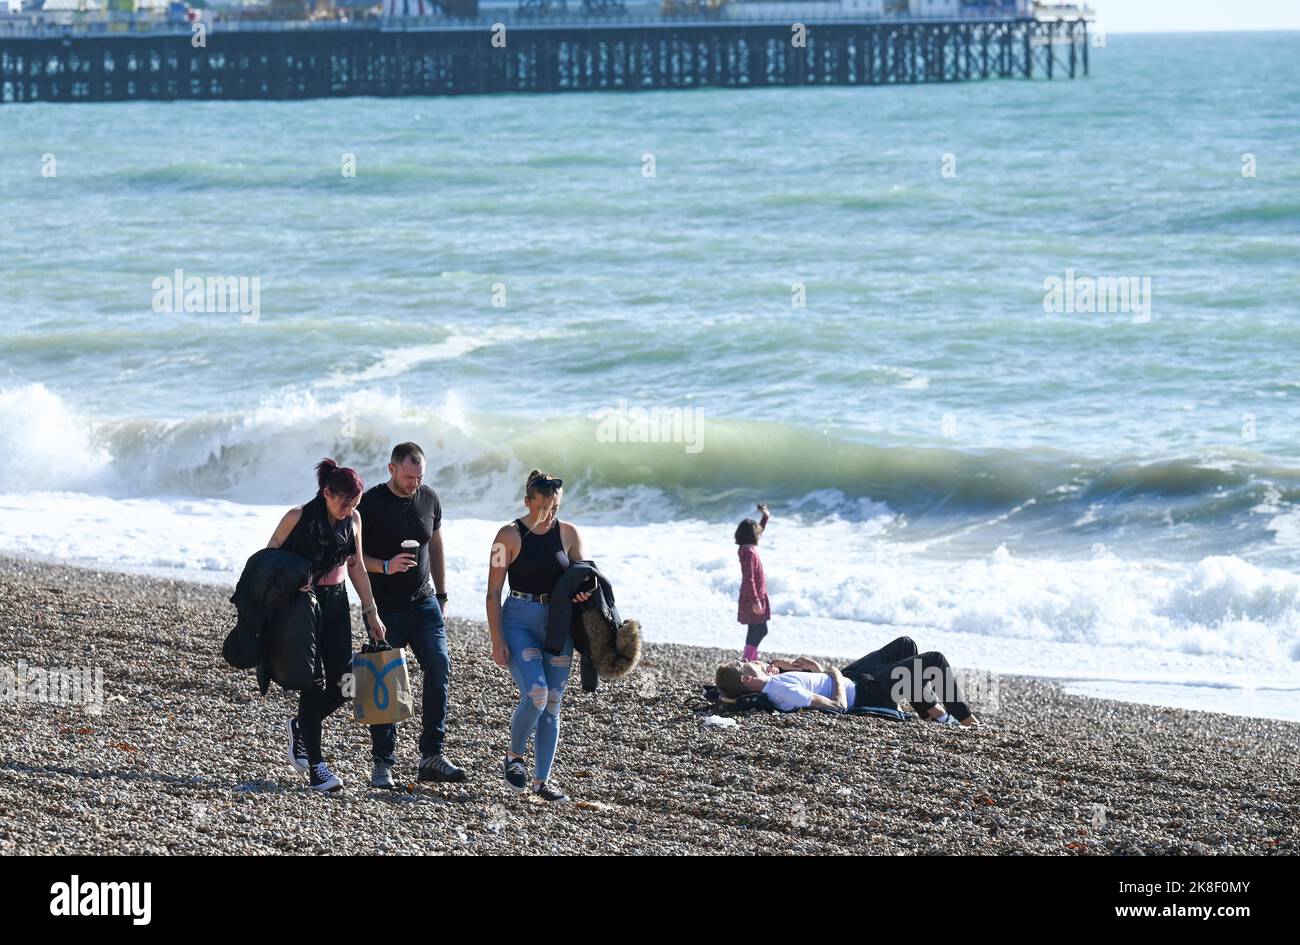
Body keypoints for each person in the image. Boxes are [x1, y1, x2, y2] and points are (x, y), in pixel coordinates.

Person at [268, 458, 388, 792]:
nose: (348, 510)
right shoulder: (298, 517)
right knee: (314, 683)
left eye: (354, 504)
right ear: (326, 493)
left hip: (335, 601)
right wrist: (294, 578)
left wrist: (371, 611)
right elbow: (269, 555)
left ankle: (302, 726)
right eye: (344, 503)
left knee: (347, 681)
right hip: (301, 605)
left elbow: (357, 567)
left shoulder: (355, 520)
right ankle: (317, 767)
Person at [358, 442, 465, 788]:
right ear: (391, 470)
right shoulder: (370, 504)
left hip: (424, 602)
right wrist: (386, 566)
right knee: (385, 681)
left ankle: (432, 755)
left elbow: (435, 545)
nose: (414, 483)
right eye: (408, 477)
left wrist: (443, 594)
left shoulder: (429, 498)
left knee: (439, 668)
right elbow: (353, 559)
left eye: (419, 477)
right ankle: (383, 764)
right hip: (385, 608)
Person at [485, 468, 592, 803]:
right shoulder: (507, 535)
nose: (549, 511)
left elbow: (585, 578)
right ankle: (514, 757)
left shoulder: (570, 534)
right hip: (519, 619)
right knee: (537, 694)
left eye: (554, 504)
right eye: (544, 503)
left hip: (558, 624)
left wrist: (585, 597)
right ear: (527, 500)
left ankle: (541, 782)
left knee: (553, 705)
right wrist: (497, 640)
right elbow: (492, 593)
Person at [714, 636, 980, 726]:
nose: (745, 659)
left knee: (905, 645)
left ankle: (931, 712)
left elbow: (815, 687)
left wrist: (816, 671)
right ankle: (968, 722)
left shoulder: (776, 681)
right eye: (742, 663)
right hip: (865, 693)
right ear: (749, 678)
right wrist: (833, 674)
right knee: (934, 659)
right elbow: (836, 707)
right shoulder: (782, 689)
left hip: (853, 679)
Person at [736, 503, 771, 661]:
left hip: (753, 594)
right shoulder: (748, 552)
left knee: (754, 629)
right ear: (751, 535)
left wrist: (765, 516)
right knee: (761, 629)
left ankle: (750, 658)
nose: (759, 532)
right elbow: (748, 578)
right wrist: (756, 601)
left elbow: (759, 530)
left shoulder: (745, 547)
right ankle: (748, 658)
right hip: (753, 596)